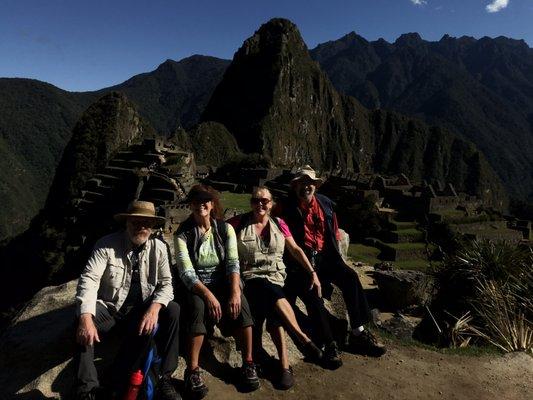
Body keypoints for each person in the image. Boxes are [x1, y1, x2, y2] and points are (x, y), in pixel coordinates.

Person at [75, 200, 181, 400]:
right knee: (81, 319)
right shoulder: (106, 245)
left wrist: (154, 308)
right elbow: (89, 279)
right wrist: (86, 319)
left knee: (173, 310)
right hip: (111, 311)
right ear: (127, 223)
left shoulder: (159, 248)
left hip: (141, 313)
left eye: (146, 223)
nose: (141, 227)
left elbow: (167, 284)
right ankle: (87, 390)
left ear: (152, 227)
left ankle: (164, 377)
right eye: (136, 222)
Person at [228, 186, 331, 389]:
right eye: (256, 200)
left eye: (265, 201)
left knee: (272, 301)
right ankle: (294, 349)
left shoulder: (279, 223)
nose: (260, 204)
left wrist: (312, 273)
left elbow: (294, 249)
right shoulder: (238, 223)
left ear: (272, 203)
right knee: (266, 289)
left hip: (276, 278)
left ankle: (280, 362)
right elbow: (216, 230)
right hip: (251, 279)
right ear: (251, 203)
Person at [278, 165, 386, 357]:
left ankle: (358, 331)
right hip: (300, 263)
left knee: (350, 277)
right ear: (295, 186)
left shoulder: (325, 204)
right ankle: (328, 342)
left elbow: (334, 233)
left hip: (324, 258)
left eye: (310, 183)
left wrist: (337, 259)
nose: (306, 187)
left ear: (315, 186)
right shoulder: (286, 207)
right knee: (313, 291)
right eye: (302, 183)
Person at [174, 185, 259, 399]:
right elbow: (187, 273)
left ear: (212, 204)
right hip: (197, 285)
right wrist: (209, 295)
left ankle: (248, 363)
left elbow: (232, 263)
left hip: (221, 281)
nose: (201, 204)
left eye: (206, 200)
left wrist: (234, 292)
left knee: (243, 304)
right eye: (196, 201)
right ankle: (192, 370)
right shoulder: (182, 234)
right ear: (190, 205)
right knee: (197, 307)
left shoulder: (224, 229)